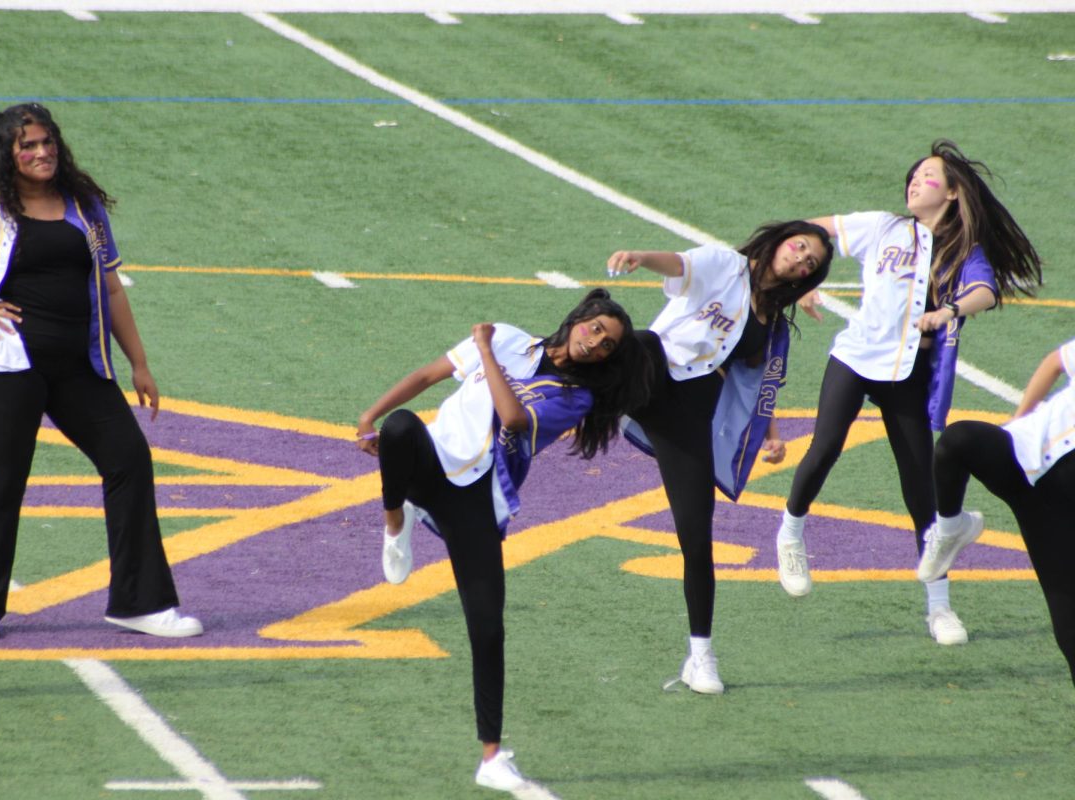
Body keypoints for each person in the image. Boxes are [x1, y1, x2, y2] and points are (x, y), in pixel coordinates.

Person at [0, 103, 201, 639]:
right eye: (27, 146)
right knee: (4, 475)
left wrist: (140, 363)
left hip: (81, 364)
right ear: (6, 154)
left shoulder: (84, 208)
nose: (40, 153)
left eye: (46, 143)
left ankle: (139, 602)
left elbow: (109, 288)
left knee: (128, 459)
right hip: (7, 362)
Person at [356, 289, 649, 793]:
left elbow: (513, 418)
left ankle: (491, 756)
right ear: (579, 319)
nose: (596, 343)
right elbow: (426, 376)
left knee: (488, 629)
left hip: (477, 499)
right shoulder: (512, 338)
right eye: (596, 329)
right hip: (433, 462)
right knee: (401, 426)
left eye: (608, 346)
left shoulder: (575, 396)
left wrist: (486, 352)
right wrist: (367, 417)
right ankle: (395, 522)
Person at [773, 140, 1042, 647]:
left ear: (954, 192)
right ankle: (790, 533)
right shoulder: (883, 226)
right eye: (914, 176)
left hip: (909, 373)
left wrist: (950, 312)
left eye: (929, 177)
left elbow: (985, 291)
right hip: (855, 358)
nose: (916, 182)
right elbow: (809, 231)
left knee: (921, 485)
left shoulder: (964, 250)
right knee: (825, 447)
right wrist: (803, 279)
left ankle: (939, 608)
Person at [605, 219, 834, 694]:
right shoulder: (726, 265)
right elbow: (681, 265)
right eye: (799, 247)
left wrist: (769, 433)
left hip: (689, 417)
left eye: (810, 262)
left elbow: (754, 385)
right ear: (779, 241)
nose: (800, 260)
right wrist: (641, 257)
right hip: (652, 374)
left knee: (697, 538)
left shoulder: (772, 322)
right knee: (639, 343)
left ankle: (701, 657)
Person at [918, 338, 1075, 687]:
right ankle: (950, 527)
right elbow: (1055, 362)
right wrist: (1019, 419)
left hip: (1053, 511)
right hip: (1020, 455)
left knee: (1068, 623)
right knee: (957, 441)